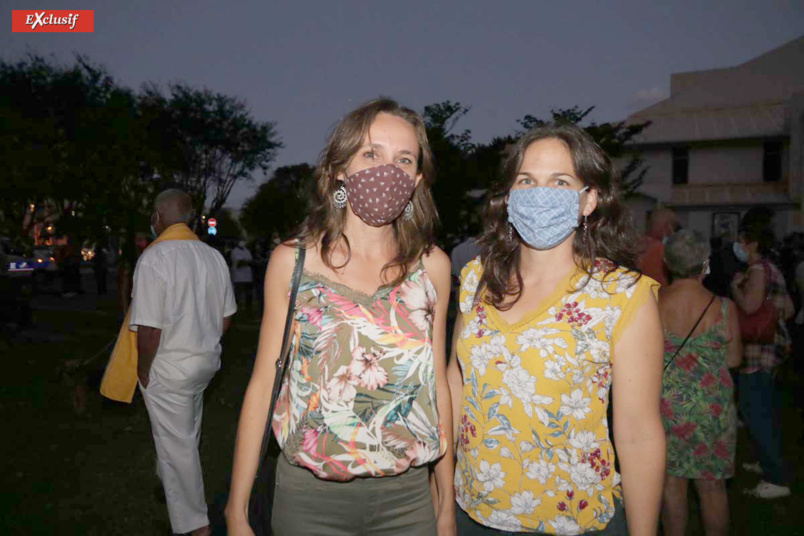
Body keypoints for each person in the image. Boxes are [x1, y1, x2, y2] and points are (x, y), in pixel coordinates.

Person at [225, 98, 455, 536]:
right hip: (310, 503)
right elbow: (263, 385)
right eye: (371, 153)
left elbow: (437, 386)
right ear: (340, 170)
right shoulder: (293, 262)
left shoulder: (434, 268)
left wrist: (445, 505)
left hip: (408, 503)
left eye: (403, 159)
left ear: (416, 180)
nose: (388, 170)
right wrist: (236, 511)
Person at [448, 124, 666, 535]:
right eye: (526, 180)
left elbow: (639, 435)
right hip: (472, 513)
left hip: (574, 520)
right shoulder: (478, 279)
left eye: (560, 181)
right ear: (509, 196)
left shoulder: (622, 296)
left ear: (589, 200)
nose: (540, 193)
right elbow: (455, 384)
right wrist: (442, 496)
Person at [130, 189, 236, 536]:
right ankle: (168, 483)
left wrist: (143, 369)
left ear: (158, 216)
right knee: (185, 432)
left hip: (169, 366)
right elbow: (225, 319)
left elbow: (149, 329)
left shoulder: (155, 257)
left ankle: (196, 525)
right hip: (204, 363)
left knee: (179, 446)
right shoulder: (213, 256)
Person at [658, 230, 742, 536]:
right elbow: (733, 360)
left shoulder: (651, 303)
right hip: (712, 410)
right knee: (712, 488)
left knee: (671, 484)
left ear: (667, 262)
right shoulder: (724, 308)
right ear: (705, 263)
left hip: (667, 408)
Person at [730, 216, 794, 499]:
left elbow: (750, 306)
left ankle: (775, 478)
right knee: (764, 410)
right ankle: (767, 461)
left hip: (756, 352)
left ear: (753, 243)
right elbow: (789, 309)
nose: (738, 245)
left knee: (755, 412)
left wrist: (735, 288)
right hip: (771, 350)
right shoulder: (772, 268)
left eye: (742, 240)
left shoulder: (756, 270)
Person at [638, 207, 676, 287]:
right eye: (673, 226)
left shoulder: (636, 244)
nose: (673, 231)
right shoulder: (660, 248)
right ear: (666, 226)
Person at [230, 240, 254, 314]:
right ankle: (236, 310)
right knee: (238, 294)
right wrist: (245, 262)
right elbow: (239, 262)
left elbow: (250, 261)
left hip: (248, 276)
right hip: (238, 276)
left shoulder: (247, 251)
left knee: (248, 294)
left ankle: (248, 310)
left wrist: (246, 261)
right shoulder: (234, 251)